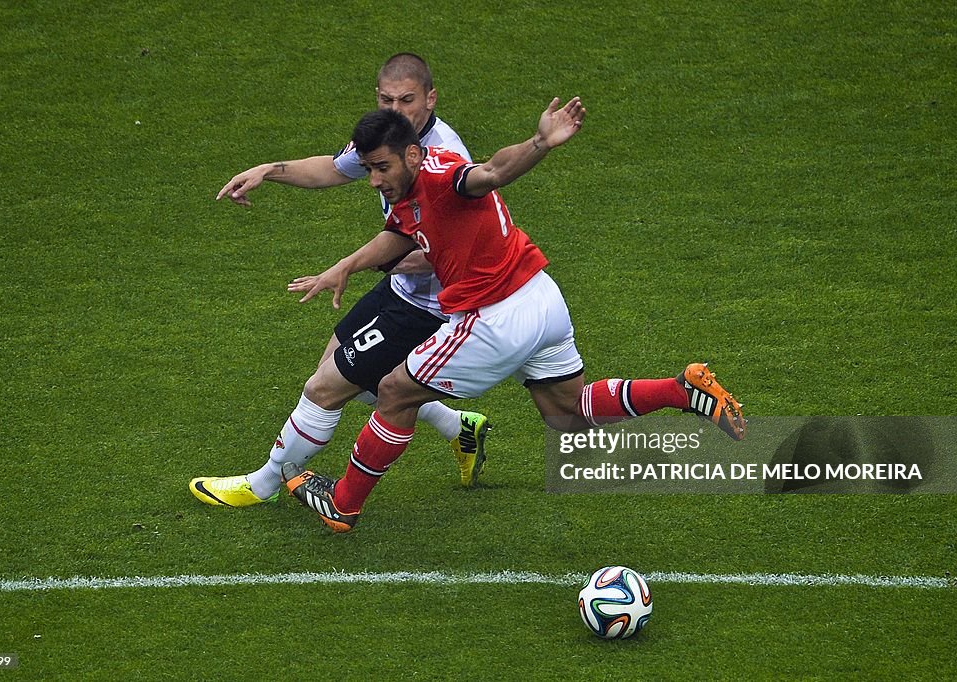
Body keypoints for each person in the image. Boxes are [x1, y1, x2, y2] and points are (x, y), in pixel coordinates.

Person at [281, 97, 747, 532]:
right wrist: (346, 266)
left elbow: (491, 173)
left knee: (394, 390)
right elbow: (403, 232)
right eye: (367, 170)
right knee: (567, 414)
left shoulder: (445, 177)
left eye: (381, 167)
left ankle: (344, 503)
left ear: (413, 155)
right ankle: (682, 391)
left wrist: (540, 143)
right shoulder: (410, 190)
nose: (375, 181)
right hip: (542, 300)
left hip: (495, 317)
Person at [190, 54, 490, 508]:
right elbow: (334, 168)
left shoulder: (446, 160)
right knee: (344, 367)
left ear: (430, 99)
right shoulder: (387, 137)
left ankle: (262, 485)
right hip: (401, 291)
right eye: (387, 99)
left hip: (432, 306)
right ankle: (459, 427)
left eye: (407, 100)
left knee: (325, 388)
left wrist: (354, 265)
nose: (397, 110)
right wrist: (269, 170)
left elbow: (443, 252)